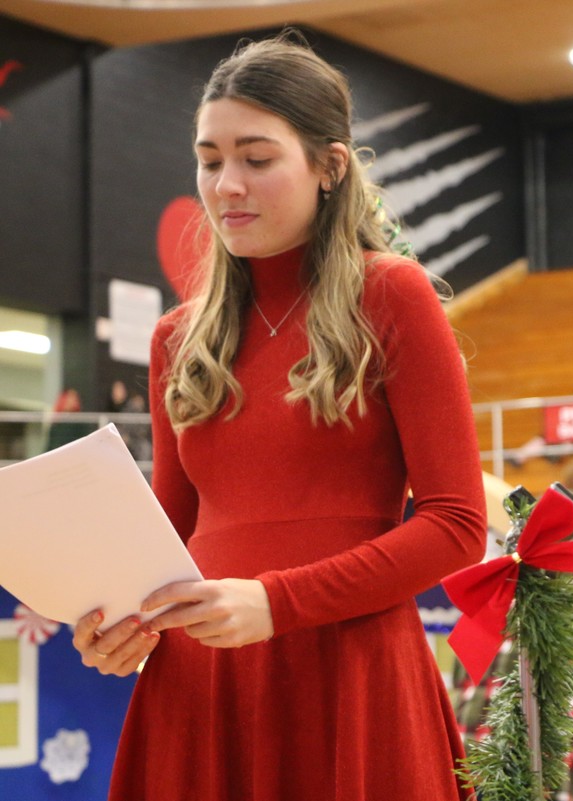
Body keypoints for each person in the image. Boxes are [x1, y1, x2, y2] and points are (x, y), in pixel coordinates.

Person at [71, 32, 486, 801]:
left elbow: (457, 522)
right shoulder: (177, 337)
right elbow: (170, 532)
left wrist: (275, 602)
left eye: (257, 158)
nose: (227, 184)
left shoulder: (390, 294)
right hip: (200, 684)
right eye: (209, 158)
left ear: (330, 166)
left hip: (348, 672)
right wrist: (123, 622)